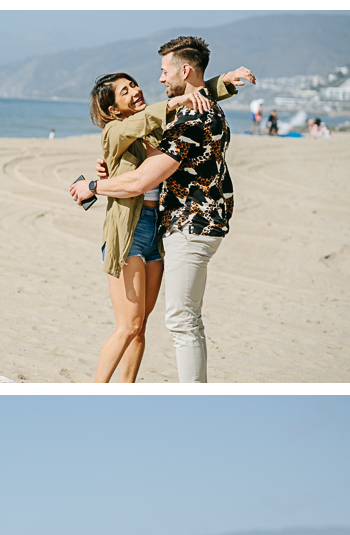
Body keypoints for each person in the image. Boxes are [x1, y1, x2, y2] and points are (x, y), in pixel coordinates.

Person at [71, 37, 255, 383]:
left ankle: (125, 388)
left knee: (140, 327)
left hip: (158, 228)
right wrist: (94, 185)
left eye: (133, 84)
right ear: (112, 109)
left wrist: (225, 80)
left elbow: (193, 95)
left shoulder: (158, 121)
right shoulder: (115, 130)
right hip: (129, 230)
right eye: (125, 92)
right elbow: (172, 106)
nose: (137, 90)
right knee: (127, 326)